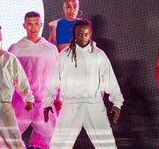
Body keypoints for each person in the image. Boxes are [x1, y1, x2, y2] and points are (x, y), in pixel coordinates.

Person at [43, 18, 122, 149]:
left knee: (106, 144)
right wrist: (47, 101)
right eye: (79, 34)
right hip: (70, 104)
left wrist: (117, 102)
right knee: (59, 144)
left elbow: (109, 79)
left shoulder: (98, 55)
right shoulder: (65, 55)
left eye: (86, 34)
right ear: (75, 34)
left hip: (93, 104)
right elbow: (53, 79)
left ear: (90, 34)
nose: (83, 37)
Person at [8, 12, 58, 149]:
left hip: (43, 104)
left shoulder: (50, 49)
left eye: (36, 24)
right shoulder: (16, 49)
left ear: (41, 25)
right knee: (8, 140)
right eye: (30, 24)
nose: (33, 28)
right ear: (24, 26)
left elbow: (58, 74)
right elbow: (8, 76)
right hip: (22, 103)